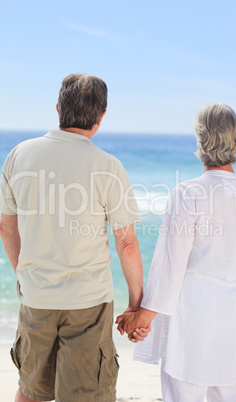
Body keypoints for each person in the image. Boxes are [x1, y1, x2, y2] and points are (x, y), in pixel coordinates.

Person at [0, 73, 148, 402]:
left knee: (30, 390)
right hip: (89, 303)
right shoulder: (108, 166)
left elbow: (6, 226)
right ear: (101, 117)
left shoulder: (19, 155)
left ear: (57, 108)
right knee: (86, 395)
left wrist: (25, 274)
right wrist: (136, 305)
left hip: (37, 296)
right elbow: (127, 243)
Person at [116, 103, 236, 402]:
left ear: (200, 142)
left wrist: (143, 316)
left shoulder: (187, 193)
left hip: (193, 326)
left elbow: (170, 266)